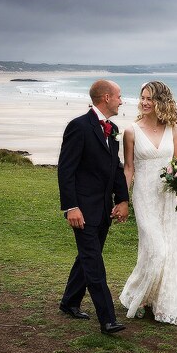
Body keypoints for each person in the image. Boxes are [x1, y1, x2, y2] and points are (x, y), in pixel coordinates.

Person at [57, 79, 130, 334]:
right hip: (83, 210)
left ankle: (69, 302)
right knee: (94, 262)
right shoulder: (79, 126)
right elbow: (66, 171)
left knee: (87, 257)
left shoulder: (113, 128)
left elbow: (116, 169)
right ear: (107, 98)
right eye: (119, 96)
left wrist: (122, 200)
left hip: (103, 209)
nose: (122, 101)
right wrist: (71, 207)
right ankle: (107, 319)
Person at [119, 81, 177, 325]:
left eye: (150, 98)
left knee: (170, 250)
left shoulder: (173, 129)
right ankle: (136, 295)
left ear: (161, 101)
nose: (145, 102)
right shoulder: (131, 131)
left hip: (169, 197)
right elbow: (129, 168)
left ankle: (159, 300)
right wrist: (121, 199)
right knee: (156, 250)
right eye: (142, 98)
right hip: (145, 196)